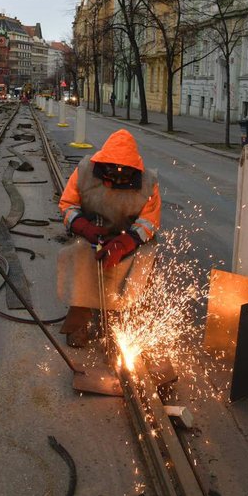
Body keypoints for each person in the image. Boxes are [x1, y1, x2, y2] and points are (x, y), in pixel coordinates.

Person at [56, 129, 161, 347]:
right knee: (79, 253)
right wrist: (83, 226)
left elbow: (149, 221)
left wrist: (126, 242)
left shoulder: (149, 182)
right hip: (93, 234)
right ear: (103, 163)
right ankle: (79, 317)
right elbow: (67, 204)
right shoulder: (84, 171)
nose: (117, 174)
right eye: (113, 170)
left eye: (124, 172)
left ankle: (133, 318)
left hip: (129, 237)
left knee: (145, 261)